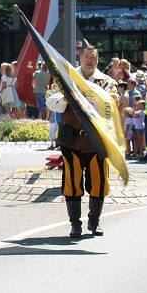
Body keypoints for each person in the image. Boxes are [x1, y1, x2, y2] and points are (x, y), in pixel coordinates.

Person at [51, 91, 110, 238]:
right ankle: (75, 224)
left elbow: (111, 113)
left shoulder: (104, 84)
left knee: (99, 182)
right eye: (86, 64)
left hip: (97, 143)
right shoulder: (67, 80)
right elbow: (52, 104)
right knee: (72, 183)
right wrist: (64, 99)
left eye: (93, 64)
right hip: (71, 142)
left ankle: (94, 221)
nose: (89, 65)